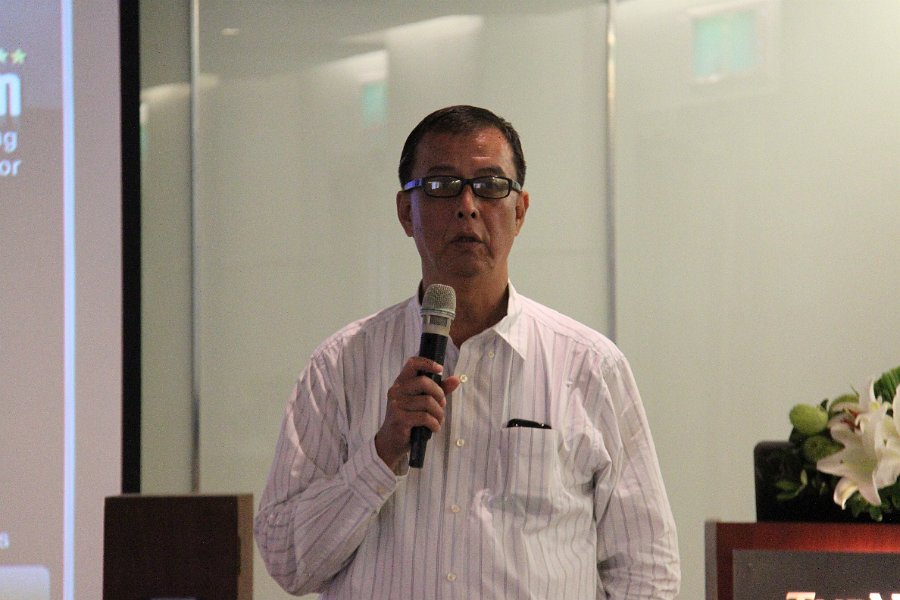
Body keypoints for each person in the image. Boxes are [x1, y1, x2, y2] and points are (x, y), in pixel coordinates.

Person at [254, 105, 680, 599]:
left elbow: (646, 568)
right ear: (405, 212)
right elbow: (287, 561)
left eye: (491, 185)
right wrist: (382, 451)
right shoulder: (340, 366)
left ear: (520, 211)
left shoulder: (589, 366)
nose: (468, 205)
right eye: (441, 185)